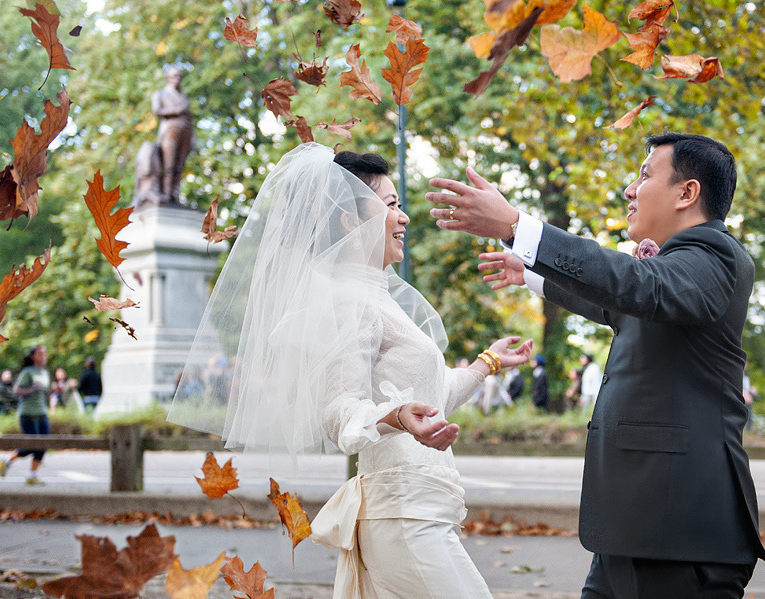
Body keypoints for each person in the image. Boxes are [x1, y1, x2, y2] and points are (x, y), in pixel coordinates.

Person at [169, 144, 533, 599]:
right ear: (348, 219)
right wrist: (396, 417)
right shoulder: (346, 302)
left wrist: (488, 363)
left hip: (421, 511)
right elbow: (339, 411)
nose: (403, 217)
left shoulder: (378, 298)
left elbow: (431, 398)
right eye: (391, 205)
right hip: (402, 516)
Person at [426, 132, 765, 598]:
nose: (630, 189)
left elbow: (635, 285)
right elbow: (620, 303)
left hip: (679, 534)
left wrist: (517, 225)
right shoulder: (673, 274)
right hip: (636, 528)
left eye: (644, 176)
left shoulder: (716, 256)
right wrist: (531, 273)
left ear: (687, 193)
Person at [0, 345, 52, 485]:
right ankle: (8, 460)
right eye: (40, 354)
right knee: (32, 445)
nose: (43, 356)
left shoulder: (45, 373)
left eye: (44, 353)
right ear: (33, 356)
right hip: (28, 413)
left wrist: (53, 391)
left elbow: (44, 393)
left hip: (42, 413)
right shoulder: (27, 372)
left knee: (44, 444)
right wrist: (33, 388)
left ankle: (31, 475)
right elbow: (16, 391)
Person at [152, 66, 193, 203]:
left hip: (185, 131)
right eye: (175, 76)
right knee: (168, 163)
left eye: (180, 76)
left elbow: (189, 118)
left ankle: (175, 195)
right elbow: (157, 110)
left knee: (179, 165)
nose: (178, 79)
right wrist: (177, 110)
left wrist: (192, 138)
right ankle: (166, 193)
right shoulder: (161, 94)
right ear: (168, 78)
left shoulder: (183, 96)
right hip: (170, 130)